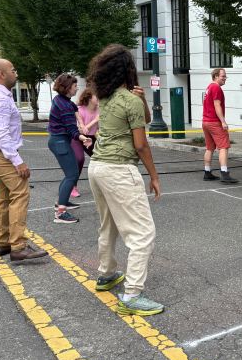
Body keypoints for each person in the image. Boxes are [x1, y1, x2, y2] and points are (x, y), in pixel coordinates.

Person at [86, 44, 164, 316]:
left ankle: (107, 274)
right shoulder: (128, 100)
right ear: (128, 69)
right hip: (119, 170)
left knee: (109, 225)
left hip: (96, 167)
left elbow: (145, 117)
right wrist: (154, 176)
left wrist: (141, 100)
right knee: (143, 234)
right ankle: (131, 295)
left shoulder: (104, 98)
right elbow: (141, 145)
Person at [0, 59, 48, 262]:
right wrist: (18, 161)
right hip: (0, 152)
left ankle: (4, 243)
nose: (15, 73)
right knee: (20, 192)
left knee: (5, 197)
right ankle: (18, 246)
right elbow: (1, 133)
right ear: (1, 74)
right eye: (12, 70)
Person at [47, 73, 92, 224]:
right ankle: (60, 213)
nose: (76, 88)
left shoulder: (62, 100)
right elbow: (72, 130)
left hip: (58, 140)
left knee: (69, 174)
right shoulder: (64, 106)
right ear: (67, 88)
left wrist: (80, 119)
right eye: (74, 86)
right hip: (60, 141)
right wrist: (83, 138)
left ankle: (62, 201)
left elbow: (75, 107)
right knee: (72, 175)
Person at [202, 67, 238, 183]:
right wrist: (223, 121)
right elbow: (217, 105)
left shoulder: (209, 87)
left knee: (209, 148)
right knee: (223, 146)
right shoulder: (216, 88)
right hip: (214, 122)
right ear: (216, 76)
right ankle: (224, 173)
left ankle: (207, 172)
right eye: (223, 76)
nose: (225, 78)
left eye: (225, 76)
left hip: (205, 121)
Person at [69, 88, 99, 198]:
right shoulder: (79, 110)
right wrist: (90, 124)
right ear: (90, 98)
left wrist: (91, 126)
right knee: (79, 159)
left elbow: (98, 123)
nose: (99, 98)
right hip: (78, 138)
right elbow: (80, 130)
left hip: (91, 138)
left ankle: (103, 183)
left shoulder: (99, 109)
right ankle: (73, 186)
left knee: (101, 158)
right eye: (96, 96)